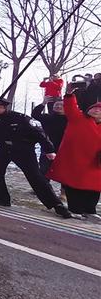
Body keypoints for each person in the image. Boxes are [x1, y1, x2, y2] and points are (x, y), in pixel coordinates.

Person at [0, 95, 72, 218]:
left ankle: (57, 205)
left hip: (23, 150)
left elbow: (39, 134)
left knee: (35, 177)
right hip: (4, 149)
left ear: (4, 107)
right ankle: (2, 198)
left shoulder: (20, 118)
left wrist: (49, 150)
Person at [47, 89, 101, 219]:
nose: (96, 110)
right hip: (74, 159)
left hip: (95, 162)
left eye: (99, 110)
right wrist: (70, 95)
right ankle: (75, 209)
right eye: (94, 108)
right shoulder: (78, 118)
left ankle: (90, 210)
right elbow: (70, 107)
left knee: (95, 186)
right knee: (73, 184)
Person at [32, 99, 67, 175]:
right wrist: (43, 103)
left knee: (64, 173)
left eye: (61, 105)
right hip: (48, 148)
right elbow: (35, 114)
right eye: (56, 105)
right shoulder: (47, 117)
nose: (58, 106)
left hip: (64, 149)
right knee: (44, 172)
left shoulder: (70, 119)